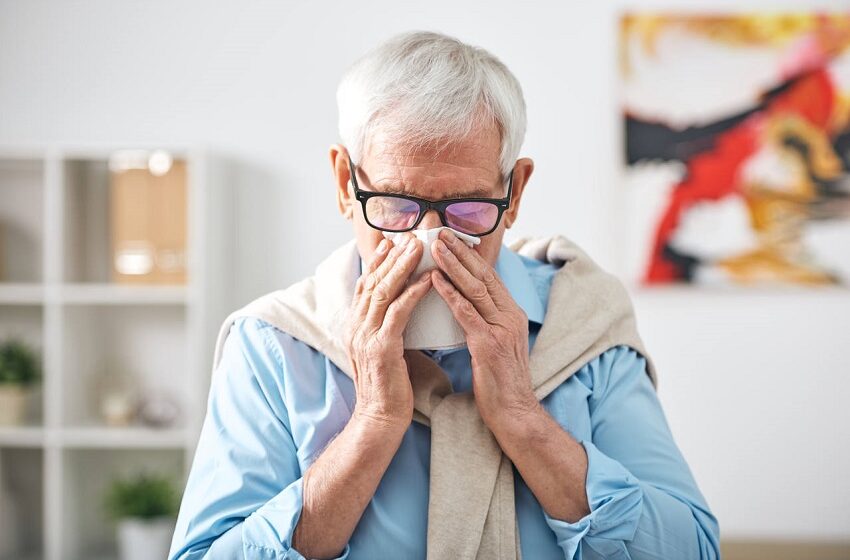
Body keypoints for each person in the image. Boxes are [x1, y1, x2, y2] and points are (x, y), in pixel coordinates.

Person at [169, 31, 720, 560]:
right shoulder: (274, 345)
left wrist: (523, 419)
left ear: (514, 193)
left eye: (468, 208)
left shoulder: (583, 322)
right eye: (395, 203)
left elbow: (692, 550)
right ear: (345, 184)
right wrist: (372, 424)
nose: (427, 241)